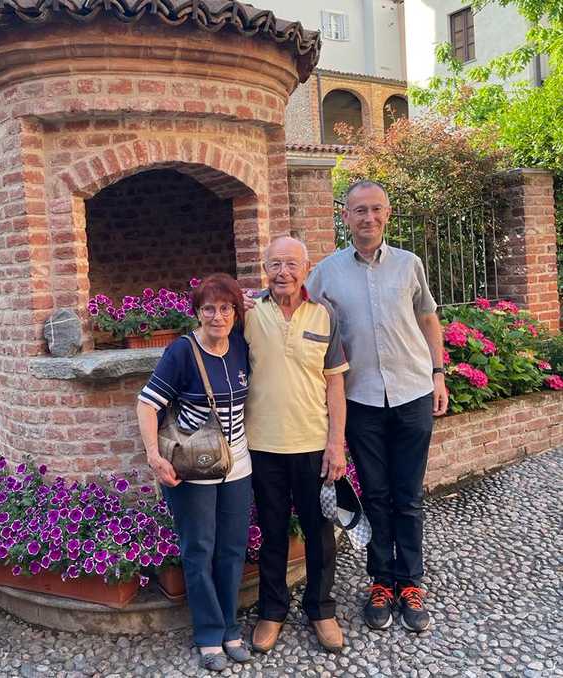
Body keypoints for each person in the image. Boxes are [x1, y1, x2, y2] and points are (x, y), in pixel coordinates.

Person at [306, 180, 448, 633]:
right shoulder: (326, 272)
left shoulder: (409, 265)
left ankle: (410, 582)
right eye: (358, 211)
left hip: (412, 394)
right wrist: (255, 302)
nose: (368, 218)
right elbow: (297, 307)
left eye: (375, 210)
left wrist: (439, 373)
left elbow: (428, 317)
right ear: (344, 217)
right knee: (377, 496)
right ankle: (380, 582)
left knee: (408, 496)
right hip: (360, 399)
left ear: (387, 214)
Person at [136, 274, 252, 672]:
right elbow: (147, 404)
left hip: (238, 464)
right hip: (192, 468)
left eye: (225, 308)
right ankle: (208, 634)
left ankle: (231, 628)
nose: (217, 316)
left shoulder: (239, 346)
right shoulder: (182, 352)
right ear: (196, 312)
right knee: (200, 549)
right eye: (209, 309)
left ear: (236, 312)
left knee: (233, 549)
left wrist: (253, 298)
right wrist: (154, 455)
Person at [244, 236, 349, 653]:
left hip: (313, 446)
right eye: (274, 264)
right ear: (264, 268)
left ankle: (321, 610)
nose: (282, 272)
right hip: (262, 445)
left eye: (291, 264)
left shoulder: (324, 314)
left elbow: (336, 382)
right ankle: (272, 611)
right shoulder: (247, 313)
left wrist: (336, 443)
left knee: (320, 532)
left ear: (307, 269)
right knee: (271, 533)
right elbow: (207, 337)